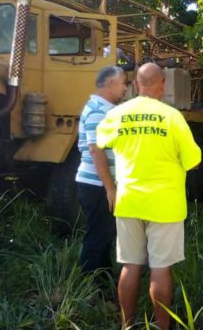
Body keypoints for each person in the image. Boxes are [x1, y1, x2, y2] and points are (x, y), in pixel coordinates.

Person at [95, 63, 201, 330]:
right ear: (162, 83)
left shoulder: (118, 114)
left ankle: (127, 325)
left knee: (130, 266)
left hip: (129, 200)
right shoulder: (172, 116)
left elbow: (96, 147)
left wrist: (110, 188)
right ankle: (162, 327)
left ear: (135, 84)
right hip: (166, 204)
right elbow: (193, 161)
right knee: (160, 268)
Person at [75, 65, 128, 293]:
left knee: (104, 235)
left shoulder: (102, 107)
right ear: (110, 83)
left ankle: (103, 284)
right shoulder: (99, 110)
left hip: (97, 183)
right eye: (123, 82)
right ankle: (89, 287)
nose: (125, 88)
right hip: (97, 185)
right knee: (98, 236)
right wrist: (110, 188)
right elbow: (96, 150)